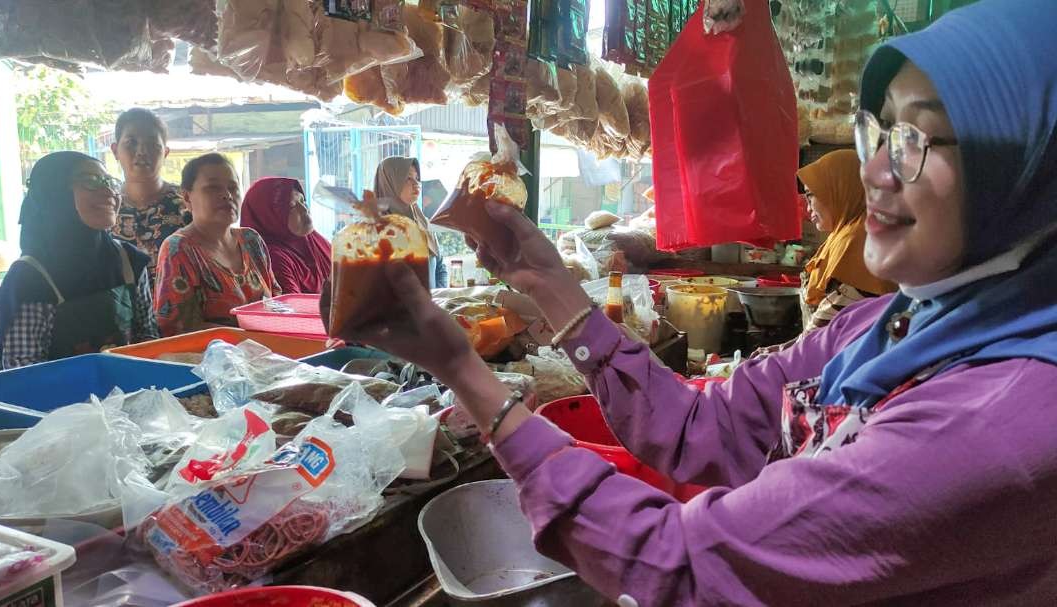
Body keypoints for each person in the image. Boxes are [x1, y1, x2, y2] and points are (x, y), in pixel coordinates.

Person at [326, 0, 1057, 603]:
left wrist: (466, 372)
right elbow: (697, 427)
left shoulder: (1001, 421)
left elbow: (680, 563)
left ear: (1023, 167)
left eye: (915, 139)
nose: (873, 169)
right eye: (877, 130)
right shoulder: (884, 326)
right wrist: (550, 282)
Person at [0, 152, 158, 369]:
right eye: (90, 181)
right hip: (58, 401)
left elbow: (149, 340)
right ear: (54, 193)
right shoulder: (29, 279)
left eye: (109, 182)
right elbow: (22, 372)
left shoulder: (129, 261)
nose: (109, 191)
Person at [155, 154, 279, 336]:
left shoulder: (251, 240)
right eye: (213, 188)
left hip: (269, 353)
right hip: (212, 359)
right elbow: (178, 329)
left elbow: (275, 301)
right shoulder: (179, 249)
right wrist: (250, 337)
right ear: (187, 197)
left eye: (233, 187)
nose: (227, 195)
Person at [798, 149, 897, 331]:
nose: (808, 206)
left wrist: (782, 353)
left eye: (811, 194)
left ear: (841, 188)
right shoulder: (841, 236)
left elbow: (827, 332)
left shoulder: (857, 241)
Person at [110, 108, 190, 293]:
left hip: (183, 316)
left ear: (166, 152)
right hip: (119, 317)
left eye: (152, 145)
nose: (142, 151)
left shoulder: (188, 203)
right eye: (131, 143)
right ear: (115, 150)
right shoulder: (104, 207)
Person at [240, 177, 331, 295]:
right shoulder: (273, 258)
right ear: (269, 218)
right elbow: (294, 307)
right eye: (292, 206)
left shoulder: (313, 240)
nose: (304, 209)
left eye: (303, 201)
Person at [372, 157, 448, 288]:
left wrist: (437, 299)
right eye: (408, 178)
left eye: (417, 178)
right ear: (390, 182)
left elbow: (440, 268)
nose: (416, 183)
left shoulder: (422, 223)